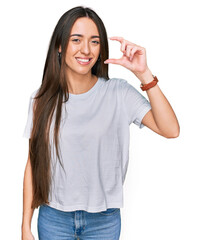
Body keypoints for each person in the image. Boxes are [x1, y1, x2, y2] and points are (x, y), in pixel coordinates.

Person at [21, 5, 180, 240]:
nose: (86, 50)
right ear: (60, 45)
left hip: (104, 221)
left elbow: (171, 130)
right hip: (54, 218)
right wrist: (25, 225)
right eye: (76, 40)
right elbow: (33, 164)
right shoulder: (41, 99)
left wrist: (144, 74)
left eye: (94, 41)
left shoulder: (118, 93)